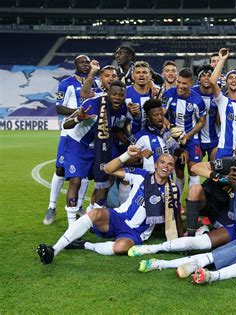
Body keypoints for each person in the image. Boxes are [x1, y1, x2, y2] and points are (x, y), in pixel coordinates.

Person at [37, 146, 179, 264]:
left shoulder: (171, 190)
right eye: (162, 162)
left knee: (120, 247)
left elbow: (175, 216)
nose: (165, 166)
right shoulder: (142, 175)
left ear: (172, 169)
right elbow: (108, 169)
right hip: (119, 217)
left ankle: (85, 244)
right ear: (156, 164)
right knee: (95, 213)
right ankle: (53, 250)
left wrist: (180, 237)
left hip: (136, 232)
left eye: (170, 164)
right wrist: (127, 155)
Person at [129, 147, 236, 248]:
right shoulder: (230, 164)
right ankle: (190, 236)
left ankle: (208, 230)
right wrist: (220, 177)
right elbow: (196, 168)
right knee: (195, 189)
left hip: (225, 210)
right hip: (206, 201)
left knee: (227, 237)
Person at [61, 80, 129, 225]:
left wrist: (129, 144)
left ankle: (93, 215)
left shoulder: (123, 109)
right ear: (108, 94)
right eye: (114, 94)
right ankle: (71, 225)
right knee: (75, 181)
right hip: (78, 145)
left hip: (101, 147)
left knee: (107, 179)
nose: (117, 97)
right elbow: (66, 124)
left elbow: (116, 129)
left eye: (120, 95)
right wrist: (79, 118)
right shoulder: (92, 104)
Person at [43, 54, 92, 225]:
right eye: (82, 62)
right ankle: (52, 206)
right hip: (69, 131)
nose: (86, 64)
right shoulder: (66, 83)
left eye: (88, 62)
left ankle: (77, 206)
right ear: (75, 64)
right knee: (60, 170)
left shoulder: (96, 82)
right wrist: (78, 112)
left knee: (84, 171)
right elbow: (58, 107)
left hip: (88, 133)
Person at [162, 68, 207, 193]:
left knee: (194, 169)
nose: (180, 86)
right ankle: (177, 203)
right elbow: (161, 115)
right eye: (179, 82)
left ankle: (193, 203)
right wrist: (172, 128)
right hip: (172, 138)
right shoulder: (169, 94)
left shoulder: (197, 100)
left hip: (191, 139)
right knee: (179, 171)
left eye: (184, 83)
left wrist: (188, 135)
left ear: (191, 83)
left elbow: (202, 121)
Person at [134, 99, 178, 172]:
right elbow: (128, 161)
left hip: (168, 180)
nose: (160, 117)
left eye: (161, 114)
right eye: (155, 115)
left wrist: (181, 151)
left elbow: (175, 155)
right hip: (148, 180)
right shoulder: (141, 136)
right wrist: (140, 155)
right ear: (148, 117)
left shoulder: (169, 133)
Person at [193, 65, 219, 161]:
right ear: (199, 79)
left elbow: (220, 122)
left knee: (215, 169)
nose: (207, 78)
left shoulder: (219, 94)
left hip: (215, 139)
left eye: (209, 75)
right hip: (197, 139)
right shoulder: (192, 93)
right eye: (203, 75)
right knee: (194, 168)